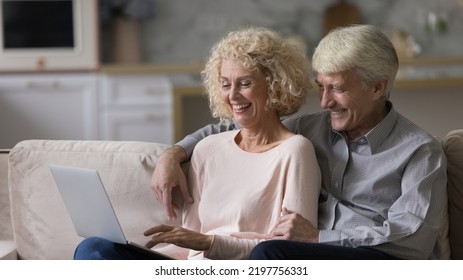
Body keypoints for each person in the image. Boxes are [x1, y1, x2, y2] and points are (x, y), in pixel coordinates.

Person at [151, 24, 448, 260]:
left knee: (270, 253)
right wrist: (173, 154)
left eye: (337, 89)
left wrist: (319, 237)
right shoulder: (311, 128)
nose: (325, 102)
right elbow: (235, 126)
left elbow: (412, 241)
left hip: (379, 260)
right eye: (321, 87)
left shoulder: (419, 151)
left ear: (378, 87)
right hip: (315, 254)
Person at [74, 26, 321, 260]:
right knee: (94, 248)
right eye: (225, 84)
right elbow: (189, 248)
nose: (232, 96)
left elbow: (290, 250)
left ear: (275, 85)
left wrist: (210, 243)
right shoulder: (207, 149)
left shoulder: (295, 151)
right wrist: (144, 256)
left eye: (245, 83)